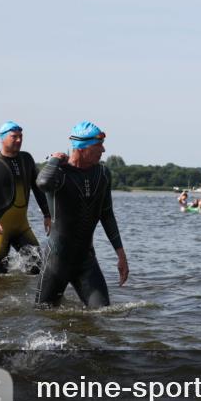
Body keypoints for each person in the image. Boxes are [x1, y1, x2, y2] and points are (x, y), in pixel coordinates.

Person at [35, 121, 128, 309]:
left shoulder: (102, 173)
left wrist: (121, 255)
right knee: (43, 315)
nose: (103, 149)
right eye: (98, 145)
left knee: (103, 313)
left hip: (86, 260)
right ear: (83, 148)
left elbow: (107, 215)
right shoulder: (59, 173)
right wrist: (53, 159)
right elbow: (43, 183)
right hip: (57, 261)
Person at [0, 121, 51, 274]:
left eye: (20, 136)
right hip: (0, 228)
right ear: (2, 138)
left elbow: (38, 190)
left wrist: (47, 214)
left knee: (38, 267)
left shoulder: (27, 159)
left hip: (22, 227)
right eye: (14, 137)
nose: (19, 140)